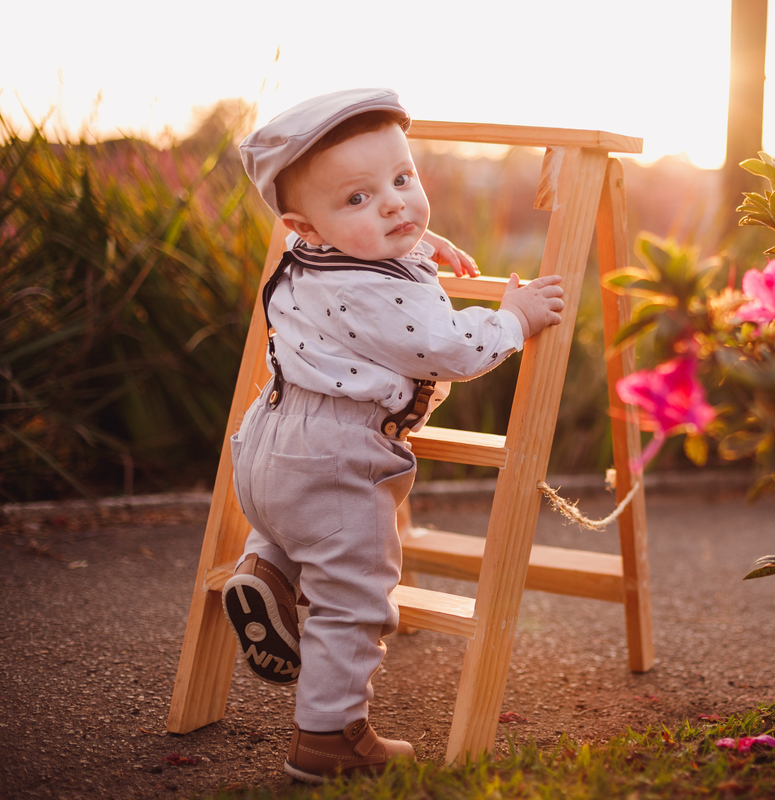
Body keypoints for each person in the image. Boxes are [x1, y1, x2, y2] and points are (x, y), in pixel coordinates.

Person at [221, 88, 565, 783]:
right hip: (337, 461)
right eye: (359, 199)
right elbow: (454, 350)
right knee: (352, 596)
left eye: (404, 181)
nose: (393, 205)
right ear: (307, 222)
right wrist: (516, 317)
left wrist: (417, 242)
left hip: (268, 445)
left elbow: (357, 253)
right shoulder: (384, 294)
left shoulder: (305, 250)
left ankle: (266, 570)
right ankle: (328, 738)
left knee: (297, 534)